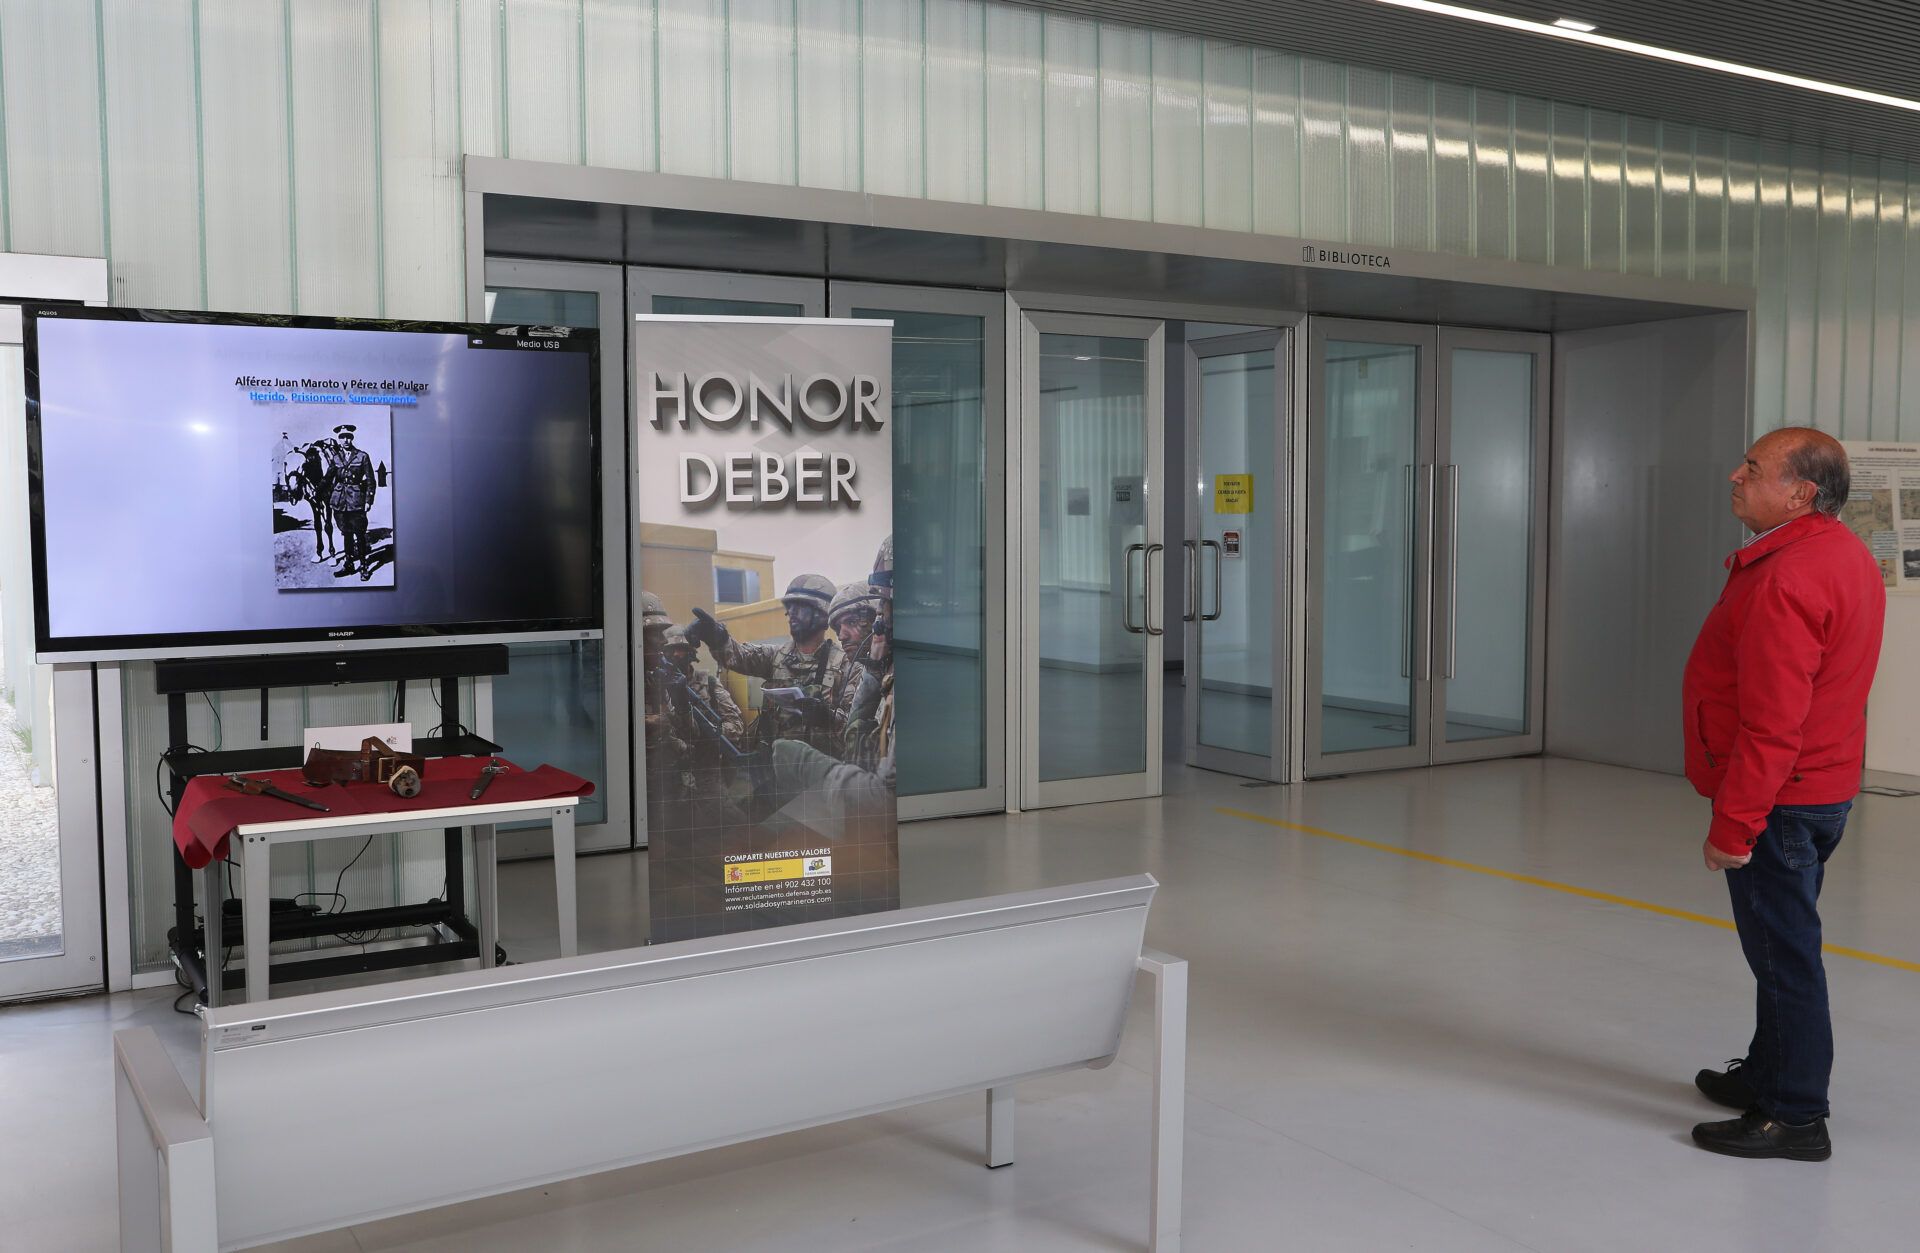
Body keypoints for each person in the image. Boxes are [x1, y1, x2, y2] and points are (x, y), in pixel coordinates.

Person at [1683, 427, 1884, 1162]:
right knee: (1781, 947)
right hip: (1819, 790)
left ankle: (1796, 1113)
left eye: (1754, 469)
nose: (1735, 476)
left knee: (1784, 957)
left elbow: (1773, 722)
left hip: (1780, 801)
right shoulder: (1840, 552)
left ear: (1800, 493)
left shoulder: (1785, 578)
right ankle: (1768, 1073)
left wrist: (1734, 825)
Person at [687, 573, 848, 755]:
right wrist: (714, 635)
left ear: (823, 616)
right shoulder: (776, 656)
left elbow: (856, 726)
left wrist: (828, 717)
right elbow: (739, 657)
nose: (792, 612)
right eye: (790, 606)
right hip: (776, 764)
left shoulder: (844, 663)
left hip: (822, 767)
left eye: (801, 606)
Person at [326, 424, 378, 580]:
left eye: (348, 437)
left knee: (360, 534)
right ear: (339, 439)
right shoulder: (335, 458)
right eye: (342, 437)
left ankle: (363, 566)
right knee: (346, 534)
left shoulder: (362, 456)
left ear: (352, 438)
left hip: (356, 501)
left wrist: (369, 500)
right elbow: (328, 478)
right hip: (340, 502)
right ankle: (349, 564)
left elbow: (371, 480)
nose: (345, 440)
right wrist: (317, 490)